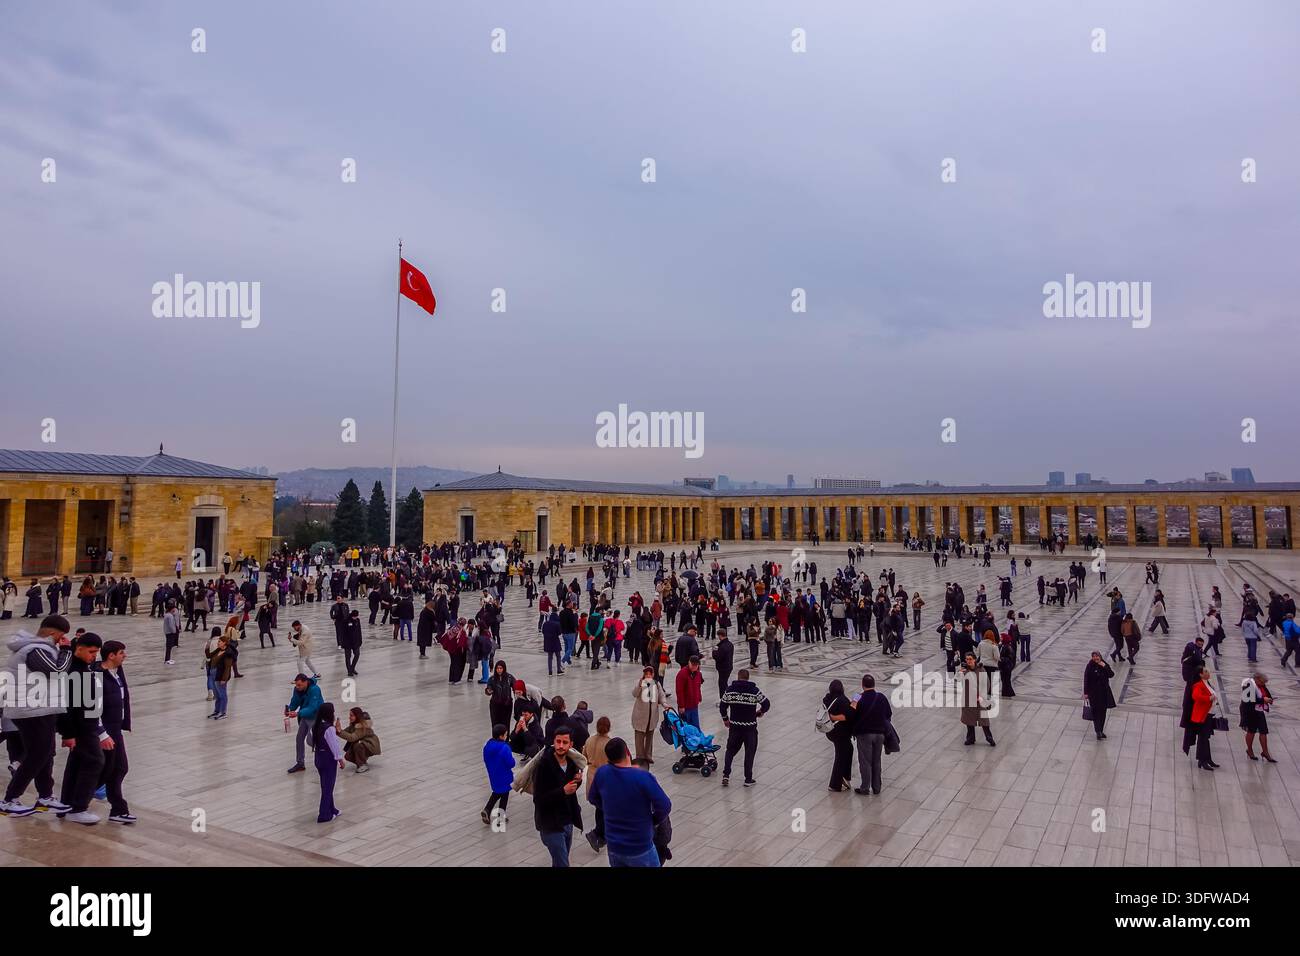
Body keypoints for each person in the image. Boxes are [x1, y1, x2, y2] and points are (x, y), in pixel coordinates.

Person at [0, 614, 75, 817]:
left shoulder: (41, 649)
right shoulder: (35, 650)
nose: (62, 641)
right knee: (37, 755)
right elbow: (57, 671)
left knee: (46, 753)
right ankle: (9, 799)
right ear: (51, 633)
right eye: (61, 637)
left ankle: (45, 796)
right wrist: (67, 651)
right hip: (31, 710)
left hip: (42, 708)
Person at [52, 632, 114, 825]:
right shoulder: (74, 672)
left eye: (95, 652)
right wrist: (68, 734)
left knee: (77, 764)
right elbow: (66, 707)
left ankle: (67, 805)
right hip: (81, 728)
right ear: (79, 648)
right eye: (91, 651)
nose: (93, 656)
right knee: (95, 761)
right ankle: (78, 807)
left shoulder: (81, 668)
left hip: (86, 726)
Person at [587, 736, 672, 867]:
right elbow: (665, 806)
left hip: (614, 847)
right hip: (640, 847)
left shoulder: (602, 773)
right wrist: (652, 820)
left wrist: (611, 810)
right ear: (627, 752)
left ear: (609, 757)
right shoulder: (643, 777)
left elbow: (593, 798)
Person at [532, 726, 583, 867]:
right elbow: (538, 799)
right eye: (558, 741)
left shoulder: (572, 763)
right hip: (550, 825)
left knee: (560, 861)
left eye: (565, 742)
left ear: (571, 744)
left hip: (567, 821)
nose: (560, 746)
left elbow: (570, 790)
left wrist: (578, 782)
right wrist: (563, 791)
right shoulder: (544, 766)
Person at [97, 639, 134, 823]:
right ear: (111, 655)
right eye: (121, 653)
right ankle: (76, 800)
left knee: (119, 768)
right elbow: (90, 708)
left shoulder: (118, 672)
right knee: (102, 770)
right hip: (103, 731)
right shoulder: (97, 675)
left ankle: (118, 809)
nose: (124, 656)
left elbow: (124, 697)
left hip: (115, 729)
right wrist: (101, 732)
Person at [718, 668, 770, 787]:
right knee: (749, 752)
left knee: (730, 750)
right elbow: (766, 704)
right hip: (750, 728)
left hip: (735, 726)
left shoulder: (730, 690)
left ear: (738, 677)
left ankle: (726, 775)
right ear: (747, 678)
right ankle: (748, 779)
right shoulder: (754, 690)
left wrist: (726, 719)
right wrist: (760, 712)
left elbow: (722, 706)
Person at [850, 673, 891, 795]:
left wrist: (853, 702)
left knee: (865, 761)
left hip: (864, 735)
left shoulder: (858, 697)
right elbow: (888, 714)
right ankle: (877, 787)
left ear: (862, 685)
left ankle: (865, 787)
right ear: (874, 684)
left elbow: (851, 714)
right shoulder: (881, 697)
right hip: (880, 734)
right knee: (876, 761)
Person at [582, 715, 612, 852]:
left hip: (592, 775)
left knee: (598, 807)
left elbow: (584, 757)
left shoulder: (589, 740)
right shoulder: (609, 743)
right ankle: (597, 833)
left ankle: (599, 834)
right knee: (604, 807)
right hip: (605, 777)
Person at [631, 666, 670, 767]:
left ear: (652, 674)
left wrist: (664, 704)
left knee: (649, 736)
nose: (648, 675)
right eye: (646, 674)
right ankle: (640, 757)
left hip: (651, 716)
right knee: (639, 738)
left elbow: (661, 695)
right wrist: (639, 685)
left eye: (650, 674)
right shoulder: (640, 683)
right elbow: (634, 694)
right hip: (640, 716)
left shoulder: (656, 684)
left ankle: (648, 756)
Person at [285, 673, 323, 774]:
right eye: (296, 685)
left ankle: (324, 758)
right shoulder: (297, 689)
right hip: (305, 716)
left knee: (313, 741)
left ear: (306, 682)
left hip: (316, 717)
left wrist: (298, 713)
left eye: (299, 685)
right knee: (299, 738)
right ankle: (300, 763)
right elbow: (295, 701)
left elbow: (313, 707)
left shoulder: (315, 689)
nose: (297, 687)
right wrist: (289, 709)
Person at [821, 679, 854, 792]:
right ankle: (835, 784)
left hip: (830, 731)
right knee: (840, 756)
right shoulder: (842, 700)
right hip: (841, 733)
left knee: (849, 749)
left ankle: (845, 777)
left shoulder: (827, 698)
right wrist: (855, 703)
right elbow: (848, 716)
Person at [313, 702, 344, 822]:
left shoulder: (316, 726)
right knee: (328, 787)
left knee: (325, 785)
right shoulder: (329, 728)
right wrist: (340, 759)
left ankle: (332, 809)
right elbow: (334, 745)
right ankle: (324, 814)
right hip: (328, 759)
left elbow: (311, 741)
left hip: (319, 757)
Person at [482, 723, 515, 827]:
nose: (506, 737)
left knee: (497, 792)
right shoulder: (504, 747)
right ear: (501, 736)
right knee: (504, 794)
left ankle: (488, 810)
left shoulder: (488, 746)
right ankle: (500, 816)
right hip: (504, 775)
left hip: (493, 774)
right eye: (505, 735)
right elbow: (511, 763)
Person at [959, 653, 995, 747]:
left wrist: (983, 696)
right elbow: (957, 680)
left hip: (980, 698)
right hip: (968, 699)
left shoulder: (981, 669)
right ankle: (970, 738)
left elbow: (986, 683)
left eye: (970, 659)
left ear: (975, 660)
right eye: (967, 659)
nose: (968, 661)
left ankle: (989, 737)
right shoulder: (965, 670)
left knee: (984, 719)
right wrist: (960, 673)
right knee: (969, 719)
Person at [1239, 675, 1277, 763]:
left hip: (1259, 710)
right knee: (1251, 731)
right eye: (1262, 683)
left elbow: (1265, 693)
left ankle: (1265, 752)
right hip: (1250, 711)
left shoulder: (1261, 684)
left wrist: (1269, 699)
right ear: (1257, 680)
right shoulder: (1248, 684)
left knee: (1263, 731)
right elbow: (1249, 699)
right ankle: (1249, 750)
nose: (1264, 685)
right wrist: (1264, 700)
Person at [1189, 667, 1220, 771]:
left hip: (1210, 714)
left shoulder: (1208, 683)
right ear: (1200, 674)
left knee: (1205, 738)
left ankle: (1207, 759)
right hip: (1203, 716)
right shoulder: (1198, 685)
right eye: (1206, 671)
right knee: (1203, 738)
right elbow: (1196, 696)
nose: (1208, 672)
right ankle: (1202, 760)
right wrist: (1208, 698)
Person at [1082, 651, 1115, 740]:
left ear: (1100, 657)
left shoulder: (1104, 664)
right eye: (1094, 656)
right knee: (1096, 713)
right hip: (1093, 693)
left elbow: (1111, 675)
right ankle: (1098, 732)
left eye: (1097, 656)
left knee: (1103, 713)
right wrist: (1086, 693)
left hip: (1104, 693)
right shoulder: (1090, 666)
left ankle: (1101, 730)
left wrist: (1104, 666)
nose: (1096, 658)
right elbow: (1086, 679)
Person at [337, 707, 381, 772]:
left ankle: (362, 764)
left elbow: (352, 738)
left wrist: (340, 731)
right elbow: (345, 732)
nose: (349, 717)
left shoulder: (362, 726)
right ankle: (362, 761)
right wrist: (336, 730)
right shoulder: (353, 725)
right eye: (350, 715)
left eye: (351, 715)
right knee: (348, 756)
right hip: (363, 745)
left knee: (358, 745)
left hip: (370, 746)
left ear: (357, 716)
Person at [206, 633, 235, 719]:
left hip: (220, 675)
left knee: (222, 694)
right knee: (217, 694)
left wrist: (224, 679)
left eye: (220, 641)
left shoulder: (228, 653)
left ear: (224, 643)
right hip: (213, 673)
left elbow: (227, 667)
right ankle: (217, 711)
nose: (218, 643)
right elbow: (209, 656)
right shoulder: (219, 650)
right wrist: (207, 647)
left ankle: (223, 712)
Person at [674, 656, 704, 729]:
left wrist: (699, 697)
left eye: (696, 665)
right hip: (685, 706)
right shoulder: (682, 674)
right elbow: (679, 691)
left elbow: (698, 686)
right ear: (689, 663)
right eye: (692, 664)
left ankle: (696, 740)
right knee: (685, 728)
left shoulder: (698, 674)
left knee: (695, 727)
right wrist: (681, 706)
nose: (694, 667)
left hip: (694, 705)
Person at [486, 660, 515, 731]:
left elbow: (515, 686)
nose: (499, 670)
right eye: (497, 668)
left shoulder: (509, 678)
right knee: (495, 723)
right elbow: (488, 689)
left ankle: (505, 740)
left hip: (506, 705)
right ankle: (496, 740)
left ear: (504, 668)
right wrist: (489, 691)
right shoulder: (492, 679)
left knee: (506, 724)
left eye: (501, 668)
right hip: (495, 705)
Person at [711, 628, 733, 700]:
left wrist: (714, 652)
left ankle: (723, 699)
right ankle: (726, 697)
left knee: (722, 684)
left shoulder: (722, 646)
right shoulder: (730, 644)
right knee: (724, 682)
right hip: (729, 666)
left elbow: (718, 657)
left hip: (723, 668)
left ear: (720, 636)